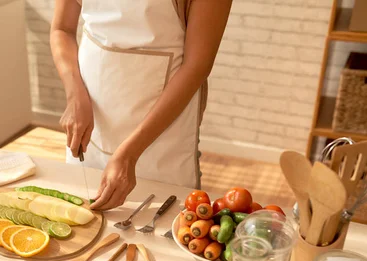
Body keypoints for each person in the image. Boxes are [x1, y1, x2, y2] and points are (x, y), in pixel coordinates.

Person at [50, 0, 232, 210]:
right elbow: (62, 29)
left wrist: (130, 153)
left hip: (163, 142)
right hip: (91, 122)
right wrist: (74, 94)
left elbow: (197, 65)